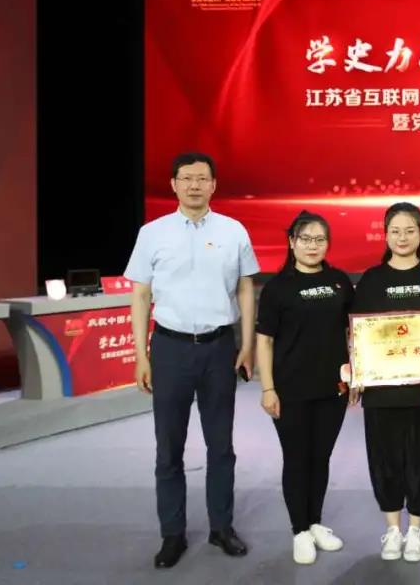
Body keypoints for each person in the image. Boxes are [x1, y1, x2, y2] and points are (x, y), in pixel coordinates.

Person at [126, 152, 259, 569]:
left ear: (214, 185)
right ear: (174, 184)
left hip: (219, 348)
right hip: (169, 348)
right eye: (187, 178)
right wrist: (141, 355)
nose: (195, 185)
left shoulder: (233, 231)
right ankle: (173, 534)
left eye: (202, 178)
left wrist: (247, 344)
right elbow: (140, 295)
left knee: (221, 445)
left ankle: (222, 527)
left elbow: (245, 288)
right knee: (169, 447)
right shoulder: (152, 233)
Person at [350, 202, 420, 562]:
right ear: (385, 235)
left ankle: (415, 530)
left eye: (409, 230)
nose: (402, 237)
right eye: (395, 231)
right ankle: (392, 530)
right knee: (384, 457)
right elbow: (358, 332)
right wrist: (358, 372)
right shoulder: (372, 279)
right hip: (381, 387)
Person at [255, 211, 354, 565]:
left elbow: (353, 332)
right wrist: (268, 388)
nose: (313, 246)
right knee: (296, 458)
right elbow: (265, 341)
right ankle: (299, 530)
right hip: (291, 389)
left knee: (320, 457)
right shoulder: (277, 288)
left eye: (320, 239)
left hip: (333, 388)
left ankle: (315, 522)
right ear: (292, 242)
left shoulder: (339, 282)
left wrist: (356, 376)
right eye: (306, 239)